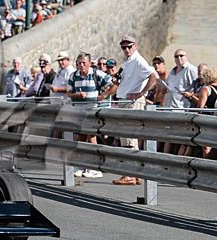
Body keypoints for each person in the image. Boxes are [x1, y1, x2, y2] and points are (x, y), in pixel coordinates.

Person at [112, 35, 158, 185]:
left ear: (135, 46)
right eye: (124, 47)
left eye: (129, 47)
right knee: (128, 139)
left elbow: (154, 76)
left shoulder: (138, 61)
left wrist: (140, 93)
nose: (126, 50)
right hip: (126, 101)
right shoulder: (129, 62)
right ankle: (135, 174)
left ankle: (129, 175)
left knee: (129, 139)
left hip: (132, 102)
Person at [67, 52, 114, 178]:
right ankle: (83, 166)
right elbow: (69, 93)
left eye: (84, 63)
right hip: (79, 111)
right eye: (79, 63)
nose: (81, 65)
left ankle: (95, 166)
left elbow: (113, 84)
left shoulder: (96, 74)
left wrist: (103, 96)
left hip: (92, 110)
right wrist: (76, 95)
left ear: (89, 63)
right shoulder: (73, 76)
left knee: (91, 137)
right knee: (81, 138)